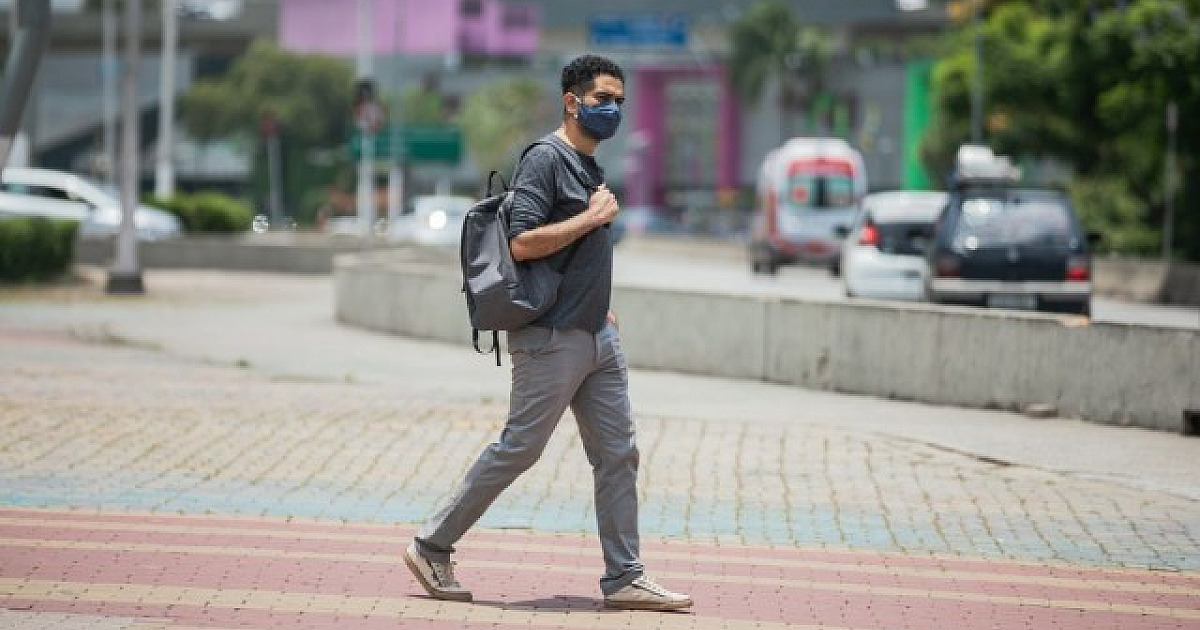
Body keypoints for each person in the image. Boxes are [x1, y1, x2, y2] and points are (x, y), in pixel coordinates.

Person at [403, 54, 692, 612]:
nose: (613, 110)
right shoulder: (546, 159)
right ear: (572, 101)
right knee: (519, 449)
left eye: (620, 102)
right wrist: (589, 219)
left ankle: (625, 576)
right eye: (603, 99)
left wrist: (601, 307)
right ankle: (431, 544)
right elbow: (520, 242)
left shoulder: (589, 165)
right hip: (551, 339)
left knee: (617, 454)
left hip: (595, 336)